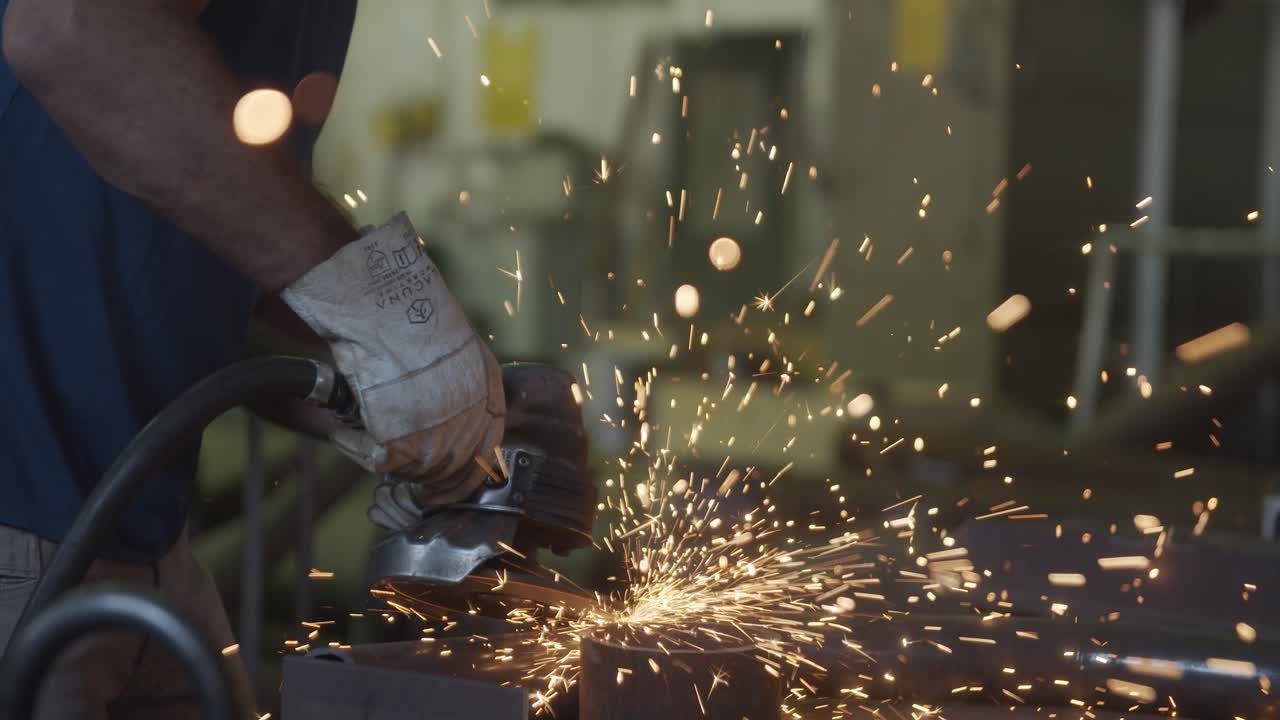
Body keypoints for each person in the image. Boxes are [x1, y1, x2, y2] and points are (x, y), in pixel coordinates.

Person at [0, 1, 505, 717]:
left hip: (136, 542)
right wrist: (379, 303)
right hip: (24, 532)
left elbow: (186, 244)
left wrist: (368, 390)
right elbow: (71, 24)